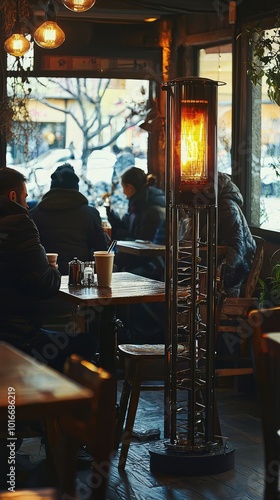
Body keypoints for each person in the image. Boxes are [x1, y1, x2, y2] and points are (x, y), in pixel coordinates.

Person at [0, 167, 96, 373]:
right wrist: (52, 268)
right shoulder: (20, 223)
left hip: (8, 330)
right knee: (87, 344)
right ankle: (62, 403)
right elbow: (44, 285)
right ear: (13, 196)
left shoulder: (31, 216)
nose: (26, 204)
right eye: (24, 197)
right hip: (19, 337)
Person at [181, 172, 257, 297]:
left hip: (235, 267)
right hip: (214, 262)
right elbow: (190, 240)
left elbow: (237, 248)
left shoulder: (226, 207)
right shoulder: (204, 207)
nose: (193, 191)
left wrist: (219, 273)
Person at [31, 163, 108, 275]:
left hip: (44, 279)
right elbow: (102, 251)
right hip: (80, 277)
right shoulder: (90, 214)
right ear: (76, 188)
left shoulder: (34, 213)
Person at [106, 166, 166, 277]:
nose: (123, 192)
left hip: (152, 265)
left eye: (123, 187)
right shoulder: (138, 204)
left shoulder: (152, 209)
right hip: (142, 261)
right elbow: (132, 232)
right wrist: (114, 219)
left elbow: (144, 244)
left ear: (130, 187)